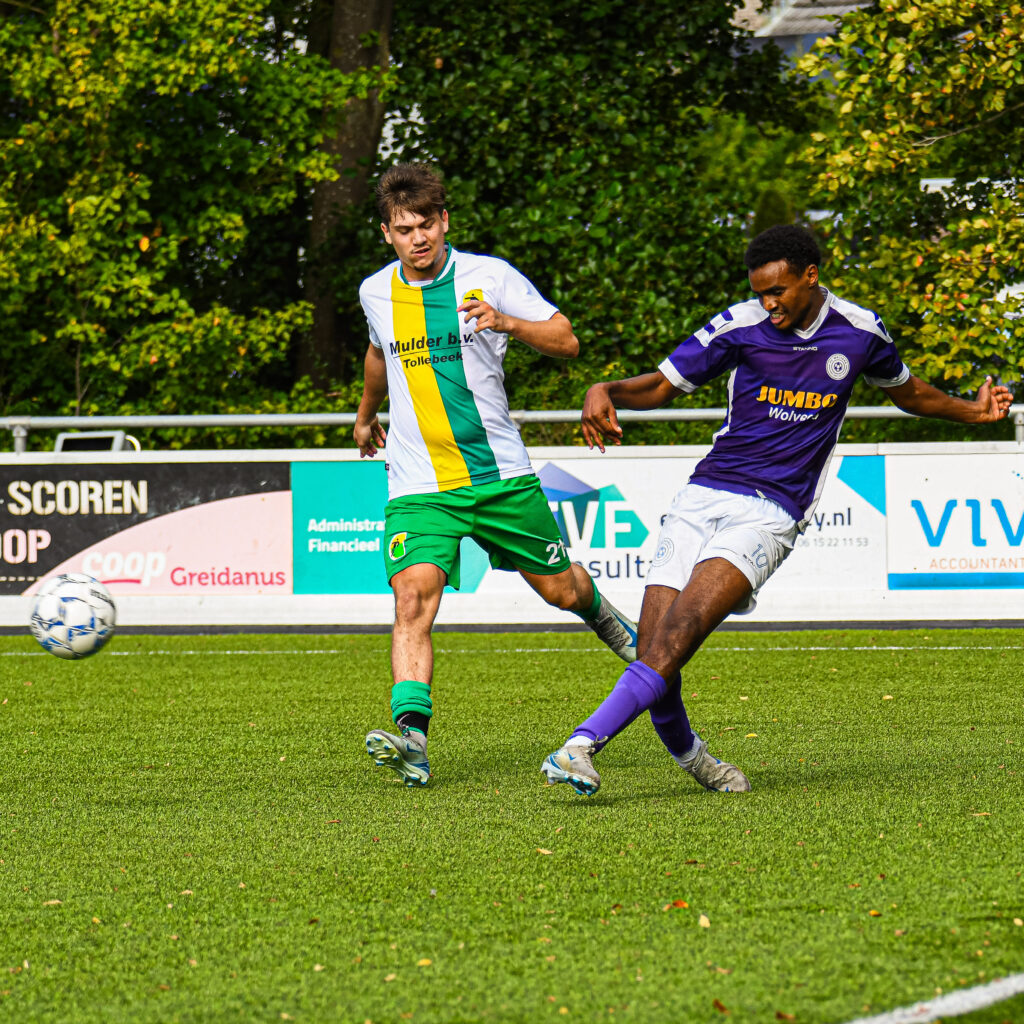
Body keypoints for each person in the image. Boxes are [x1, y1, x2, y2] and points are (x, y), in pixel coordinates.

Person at [542, 223, 1014, 797]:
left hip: (771, 511)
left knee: (681, 631)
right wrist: (606, 389)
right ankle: (699, 762)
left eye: (778, 291)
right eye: (760, 293)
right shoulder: (740, 326)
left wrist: (975, 411)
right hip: (703, 495)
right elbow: (662, 386)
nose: (769, 304)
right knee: (654, 650)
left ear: (810, 277)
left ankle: (580, 745)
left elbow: (909, 393)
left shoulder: (860, 331)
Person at [354, 162, 638, 787]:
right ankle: (412, 738)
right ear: (387, 234)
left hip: (499, 476)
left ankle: (606, 617)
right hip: (419, 485)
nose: (418, 238)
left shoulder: (491, 276)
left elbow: (566, 340)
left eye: (426, 225)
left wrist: (508, 322)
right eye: (405, 229)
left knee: (561, 592)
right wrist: (366, 414)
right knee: (412, 598)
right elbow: (377, 353)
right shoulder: (376, 292)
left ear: (444, 220)